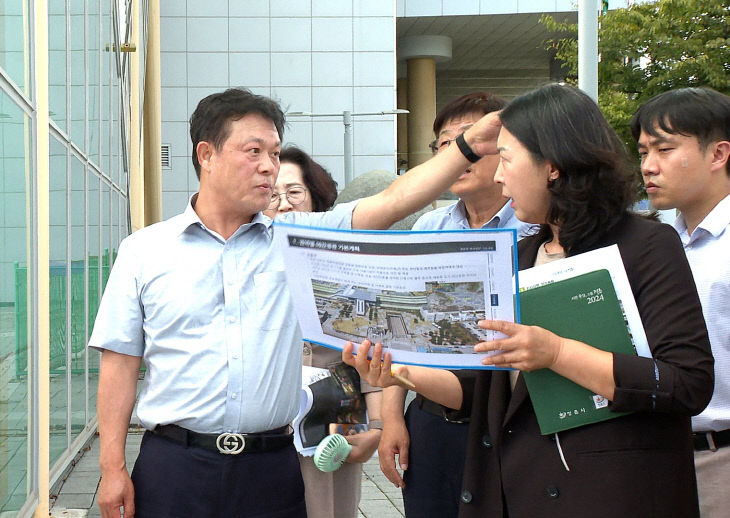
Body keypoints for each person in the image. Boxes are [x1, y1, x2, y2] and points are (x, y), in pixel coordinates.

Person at [91, 87, 502, 518]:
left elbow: (394, 200)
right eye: (254, 151)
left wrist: (466, 147)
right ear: (206, 155)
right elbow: (120, 362)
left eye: (274, 152)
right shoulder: (144, 251)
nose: (269, 166)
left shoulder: (300, 242)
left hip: (270, 468)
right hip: (174, 466)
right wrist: (112, 467)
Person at [345, 83, 714, 518]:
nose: (499, 176)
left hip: (613, 494)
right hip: (518, 490)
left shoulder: (646, 245)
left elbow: (686, 383)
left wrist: (556, 352)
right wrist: (401, 371)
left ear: (553, 165)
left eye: (506, 159)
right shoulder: (515, 256)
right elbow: (482, 390)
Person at [377, 92, 534, 518]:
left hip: (507, 421)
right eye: (444, 145)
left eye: (468, 141)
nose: (455, 155)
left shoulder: (535, 225)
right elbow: (404, 333)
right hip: (430, 419)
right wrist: (394, 418)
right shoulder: (430, 226)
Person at [265, 145, 383, 518]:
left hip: (331, 432)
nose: (283, 204)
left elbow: (372, 349)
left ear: (315, 199)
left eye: (294, 192)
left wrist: (376, 428)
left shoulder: (349, 269)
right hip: (266, 432)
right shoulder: (249, 269)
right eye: (272, 195)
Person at [631, 87, 730, 518]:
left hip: (718, 461)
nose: (648, 167)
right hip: (650, 455)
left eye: (665, 149)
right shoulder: (651, 241)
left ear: (718, 153)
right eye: (643, 151)